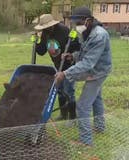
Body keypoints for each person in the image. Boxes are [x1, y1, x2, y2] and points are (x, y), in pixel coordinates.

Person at [55, 7, 112, 146]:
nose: (76, 26)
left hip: (98, 72)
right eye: (74, 22)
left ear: (88, 20)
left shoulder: (99, 35)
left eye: (78, 22)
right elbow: (84, 52)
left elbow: (88, 62)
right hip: (95, 69)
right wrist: (72, 56)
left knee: (82, 106)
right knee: (96, 99)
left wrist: (65, 73)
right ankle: (99, 127)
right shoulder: (86, 32)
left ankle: (86, 141)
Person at [33, 14, 80, 122]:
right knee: (59, 90)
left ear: (51, 25)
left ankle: (72, 118)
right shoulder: (45, 33)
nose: (44, 30)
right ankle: (63, 115)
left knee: (69, 91)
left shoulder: (64, 31)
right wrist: (37, 41)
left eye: (45, 27)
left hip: (69, 67)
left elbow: (78, 48)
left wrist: (70, 55)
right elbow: (41, 51)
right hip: (57, 66)